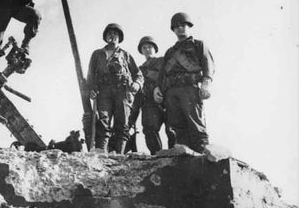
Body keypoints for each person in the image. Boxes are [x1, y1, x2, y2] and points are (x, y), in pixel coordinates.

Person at [154, 12, 215, 153]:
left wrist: (206, 83)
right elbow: (162, 73)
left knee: (196, 125)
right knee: (176, 127)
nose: (180, 29)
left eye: (183, 25)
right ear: (173, 30)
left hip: (190, 89)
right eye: (177, 27)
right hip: (171, 91)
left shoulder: (198, 45)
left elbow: (208, 65)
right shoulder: (170, 52)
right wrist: (157, 88)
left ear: (189, 26)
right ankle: (183, 158)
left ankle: (203, 156)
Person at [86, 23, 143, 154]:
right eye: (110, 34)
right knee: (103, 122)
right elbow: (90, 75)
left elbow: (138, 74)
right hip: (103, 91)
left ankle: (120, 154)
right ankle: (102, 153)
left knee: (122, 123)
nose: (113, 36)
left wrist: (137, 84)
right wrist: (91, 90)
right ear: (105, 37)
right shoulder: (97, 54)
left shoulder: (126, 55)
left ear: (120, 38)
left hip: (122, 91)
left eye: (116, 34)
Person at [129, 36, 165, 155]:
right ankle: (157, 156)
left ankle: (175, 157)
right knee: (149, 128)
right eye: (144, 48)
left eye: (150, 47)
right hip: (149, 102)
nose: (147, 50)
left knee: (172, 129)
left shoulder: (163, 61)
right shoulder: (140, 69)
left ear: (155, 48)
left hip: (166, 99)